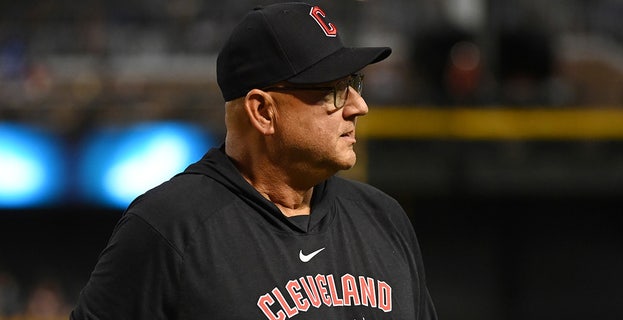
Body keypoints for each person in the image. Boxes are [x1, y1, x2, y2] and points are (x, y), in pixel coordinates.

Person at [70, 2, 438, 319]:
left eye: (354, 84)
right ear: (263, 111)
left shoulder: (383, 219)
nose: (359, 107)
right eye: (333, 91)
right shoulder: (167, 229)